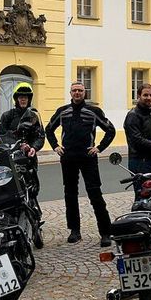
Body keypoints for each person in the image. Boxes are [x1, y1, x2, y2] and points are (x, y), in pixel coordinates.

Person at [46, 81, 116, 247]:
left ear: (85, 93)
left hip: (88, 157)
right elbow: (48, 129)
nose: (77, 93)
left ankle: (105, 232)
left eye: (80, 90)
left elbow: (110, 130)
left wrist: (99, 147)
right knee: (70, 195)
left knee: (95, 194)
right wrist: (55, 146)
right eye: (74, 91)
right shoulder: (63, 112)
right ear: (70, 93)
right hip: (68, 157)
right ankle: (74, 231)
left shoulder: (94, 111)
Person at [0, 82, 45, 158]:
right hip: (12, 156)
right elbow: (1, 136)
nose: (23, 100)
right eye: (20, 97)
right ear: (16, 99)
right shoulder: (7, 115)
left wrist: (34, 148)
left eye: (25, 97)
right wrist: (17, 146)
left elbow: (40, 136)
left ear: (29, 100)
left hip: (29, 155)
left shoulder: (34, 116)